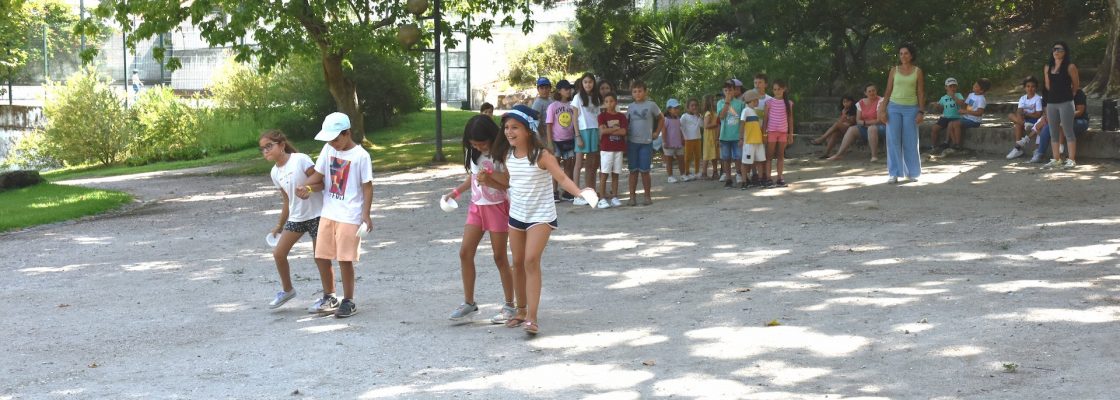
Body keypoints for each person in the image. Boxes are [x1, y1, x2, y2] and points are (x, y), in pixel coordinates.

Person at [491, 104, 591, 335]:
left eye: (515, 127)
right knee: (517, 263)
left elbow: (563, 178)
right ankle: (521, 310)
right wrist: (489, 180)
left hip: (541, 217)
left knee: (530, 260)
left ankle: (532, 318)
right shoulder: (509, 155)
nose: (509, 132)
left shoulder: (542, 155)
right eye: (506, 127)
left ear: (529, 130)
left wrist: (579, 192)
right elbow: (509, 182)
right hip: (517, 216)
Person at [296, 112, 374, 318]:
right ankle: (330, 296)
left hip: (350, 214)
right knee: (321, 255)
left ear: (347, 133)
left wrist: (366, 214)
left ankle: (348, 300)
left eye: (336, 138)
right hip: (329, 211)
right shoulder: (328, 149)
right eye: (329, 139)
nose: (333, 143)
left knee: (344, 259)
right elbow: (319, 175)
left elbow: (367, 187)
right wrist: (305, 186)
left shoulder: (361, 156)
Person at [444, 115, 516, 323]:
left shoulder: (503, 154)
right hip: (477, 207)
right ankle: (469, 302)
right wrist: (455, 193)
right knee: (465, 252)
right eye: (473, 144)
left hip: (497, 208)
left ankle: (510, 305)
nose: (478, 147)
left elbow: (508, 182)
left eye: (482, 143)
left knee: (499, 257)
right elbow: (474, 177)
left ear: (492, 137)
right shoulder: (474, 153)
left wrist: (491, 179)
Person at [259, 129, 328, 310]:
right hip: (296, 217)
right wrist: (279, 225)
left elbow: (322, 183)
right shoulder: (275, 172)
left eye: (269, 146)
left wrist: (309, 189)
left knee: (320, 257)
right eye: (262, 149)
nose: (265, 151)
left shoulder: (300, 159)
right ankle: (288, 290)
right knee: (278, 254)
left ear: (281, 145)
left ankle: (329, 296)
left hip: (317, 214)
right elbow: (287, 200)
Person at [879, 43, 925, 184]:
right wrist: (882, 109)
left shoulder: (918, 71)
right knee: (893, 140)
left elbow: (921, 92)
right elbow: (888, 91)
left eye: (906, 53)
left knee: (910, 140)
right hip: (893, 107)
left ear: (911, 55)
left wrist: (921, 111)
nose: (903, 56)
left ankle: (912, 173)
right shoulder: (894, 70)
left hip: (911, 108)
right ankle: (894, 173)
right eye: (901, 53)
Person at [1042, 41, 1082, 170]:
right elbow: (1047, 85)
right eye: (1054, 49)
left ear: (1065, 52)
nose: (1056, 51)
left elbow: (1076, 85)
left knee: (1068, 131)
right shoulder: (1048, 67)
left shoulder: (1070, 67)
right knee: (1053, 132)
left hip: (1066, 102)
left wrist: (1069, 94)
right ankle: (1056, 159)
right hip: (1052, 102)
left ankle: (1071, 159)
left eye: (1059, 49)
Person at [626, 80, 664, 206]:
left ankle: (647, 196)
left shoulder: (651, 105)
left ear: (645, 92)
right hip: (632, 142)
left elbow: (661, 118)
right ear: (632, 93)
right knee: (633, 171)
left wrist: (657, 132)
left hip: (646, 143)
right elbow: (625, 123)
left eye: (640, 91)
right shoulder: (630, 107)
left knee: (645, 171)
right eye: (634, 91)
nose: (637, 94)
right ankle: (632, 196)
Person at [828, 83, 885, 162]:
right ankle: (839, 155)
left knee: (872, 128)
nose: (872, 93)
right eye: (869, 91)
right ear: (865, 93)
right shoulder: (861, 103)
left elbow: (879, 120)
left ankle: (874, 156)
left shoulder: (881, 100)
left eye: (873, 90)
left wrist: (864, 123)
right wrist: (864, 123)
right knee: (852, 129)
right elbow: (858, 120)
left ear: (876, 91)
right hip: (865, 127)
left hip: (880, 127)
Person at [1031, 89, 1090, 163]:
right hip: (1061, 121)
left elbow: (1080, 111)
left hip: (1079, 120)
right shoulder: (1059, 93)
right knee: (1047, 128)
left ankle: (1061, 154)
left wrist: (1064, 116)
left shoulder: (1079, 93)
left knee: (1062, 126)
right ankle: (1040, 153)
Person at [571, 73, 602, 203]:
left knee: (592, 164)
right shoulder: (577, 97)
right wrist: (578, 136)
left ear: (594, 83)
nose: (588, 84)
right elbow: (574, 118)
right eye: (585, 82)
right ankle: (576, 195)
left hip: (594, 131)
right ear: (581, 84)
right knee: (578, 164)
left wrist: (600, 134)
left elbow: (598, 117)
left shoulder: (597, 98)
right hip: (582, 132)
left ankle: (591, 192)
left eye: (590, 82)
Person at [546, 79, 578, 202]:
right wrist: (549, 142)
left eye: (569, 89)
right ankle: (554, 191)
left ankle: (567, 191)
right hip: (556, 140)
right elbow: (549, 124)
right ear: (559, 91)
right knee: (555, 166)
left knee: (569, 166)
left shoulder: (572, 105)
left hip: (569, 139)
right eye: (566, 89)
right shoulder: (553, 106)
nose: (568, 91)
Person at [597, 92, 627, 208]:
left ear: (616, 102)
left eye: (612, 101)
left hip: (618, 149)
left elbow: (624, 132)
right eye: (606, 101)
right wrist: (616, 129)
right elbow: (602, 131)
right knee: (604, 173)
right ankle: (602, 198)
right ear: (604, 103)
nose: (609, 103)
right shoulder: (602, 116)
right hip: (606, 149)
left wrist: (609, 129)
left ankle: (614, 196)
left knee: (616, 173)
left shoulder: (621, 116)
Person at [764, 79, 794, 187]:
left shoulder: (788, 103)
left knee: (781, 156)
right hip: (771, 132)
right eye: (775, 89)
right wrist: (764, 133)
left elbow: (790, 119)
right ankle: (768, 177)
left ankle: (780, 177)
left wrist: (790, 134)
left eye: (779, 89)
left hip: (783, 132)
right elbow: (765, 119)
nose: (777, 91)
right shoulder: (769, 103)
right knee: (769, 156)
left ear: (784, 89)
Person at [1006, 76, 1044, 159]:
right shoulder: (1022, 98)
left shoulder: (1038, 99)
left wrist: (1026, 114)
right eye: (1028, 86)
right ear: (1024, 88)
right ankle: (1017, 149)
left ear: (1036, 88)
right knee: (1011, 116)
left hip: (1034, 120)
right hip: (1025, 120)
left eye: (1033, 86)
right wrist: (1022, 119)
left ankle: (1017, 147)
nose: (1030, 89)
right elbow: (1019, 111)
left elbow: (1038, 114)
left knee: (1017, 125)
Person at [716, 80, 745, 188]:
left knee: (738, 156)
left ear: (734, 91)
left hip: (736, 136)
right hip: (724, 136)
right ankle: (728, 178)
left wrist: (742, 136)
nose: (728, 92)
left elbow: (742, 121)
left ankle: (739, 173)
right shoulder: (720, 103)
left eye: (730, 90)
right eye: (726, 90)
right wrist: (727, 103)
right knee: (726, 158)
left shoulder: (740, 104)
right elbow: (721, 116)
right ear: (723, 91)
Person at [929, 78, 966, 156]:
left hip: (956, 117)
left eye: (954, 86)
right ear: (946, 87)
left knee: (951, 125)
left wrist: (954, 97)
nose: (952, 88)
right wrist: (937, 106)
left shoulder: (959, 95)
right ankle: (933, 146)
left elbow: (962, 104)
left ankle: (950, 144)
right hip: (945, 117)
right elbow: (940, 108)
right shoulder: (943, 98)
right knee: (934, 128)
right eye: (950, 86)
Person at [738, 90, 766, 190]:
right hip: (749, 142)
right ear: (752, 100)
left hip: (758, 141)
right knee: (745, 162)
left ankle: (760, 180)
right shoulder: (745, 111)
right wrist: (741, 138)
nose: (758, 102)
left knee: (760, 161)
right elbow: (742, 124)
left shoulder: (754, 111)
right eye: (757, 100)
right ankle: (744, 182)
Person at [662, 98, 687, 183]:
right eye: (675, 108)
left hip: (678, 143)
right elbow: (664, 131)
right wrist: (665, 141)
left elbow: (679, 129)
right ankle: (670, 176)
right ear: (669, 109)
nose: (677, 110)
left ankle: (683, 175)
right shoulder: (665, 119)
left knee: (681, 159)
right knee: (669, 160)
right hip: (669, 143)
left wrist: (682, 138)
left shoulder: (678, 118)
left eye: (678, 108)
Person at [680, 98, 703, 181]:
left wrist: (698, 116)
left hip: (697, 138)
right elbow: (681, 127)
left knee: (697, 156)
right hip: (688, 139)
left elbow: (702, 125)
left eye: (696, 105)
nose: (694, 107)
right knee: (687, 157)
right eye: (692, 105)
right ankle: (687, 172)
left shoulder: (698, 115)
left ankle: (697, 172)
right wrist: (682, 137)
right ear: (688, 107)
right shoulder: (684, 116)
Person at [700, 95, 720, 180]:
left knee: (714, 155)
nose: (715, 102)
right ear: (710, 102)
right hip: (709, 137)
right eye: (714, 100)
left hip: (715, 135)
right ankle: (704, 173)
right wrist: (717, 124)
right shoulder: (708, 113)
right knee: (707, 155)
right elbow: (706, 125)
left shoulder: (715, 112)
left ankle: (715, 172)